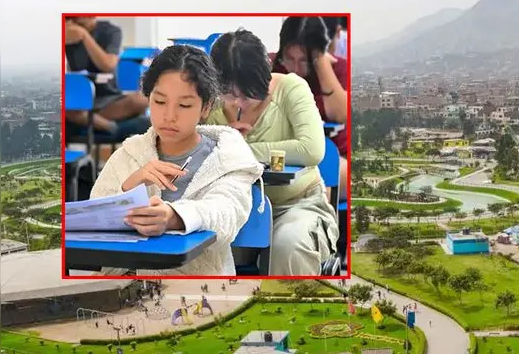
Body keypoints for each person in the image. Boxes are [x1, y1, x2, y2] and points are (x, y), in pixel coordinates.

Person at [89, 45, 262, 276]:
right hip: (125, 287)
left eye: (184, 105)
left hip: (198, 291)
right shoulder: (129, 153)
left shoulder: (227, 157)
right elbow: (91, 220)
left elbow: (226, 214)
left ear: (206, 106)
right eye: (159, 102)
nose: (169, 116)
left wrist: (174, 218)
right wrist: (129, 188)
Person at [206, 29, 338, 276]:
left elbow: (311, 149)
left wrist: (240, 149)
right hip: (231, 206)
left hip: (297, 204)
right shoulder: (210, 103)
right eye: (229, 94)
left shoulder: (291, 88)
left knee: (288, 247)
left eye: (247, 94)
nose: (238, 103)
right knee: (205, 251)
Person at [271, 16, 349, 202]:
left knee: (342, 176)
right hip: (287, 151)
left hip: (331, 152)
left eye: (303, 60)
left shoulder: (337, 68)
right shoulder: (275, 68)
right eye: (289, 59)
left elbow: (339, 114)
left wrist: (320, 62)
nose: (295, 68)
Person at [64, 16, 150, 137]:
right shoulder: (65, 31)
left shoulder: (111, 31)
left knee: (142, 99)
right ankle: (110, 127)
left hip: (108, 99)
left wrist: (85, 36)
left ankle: (91, 121)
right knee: (64, 105)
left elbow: (108, 65)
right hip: (77, 100)